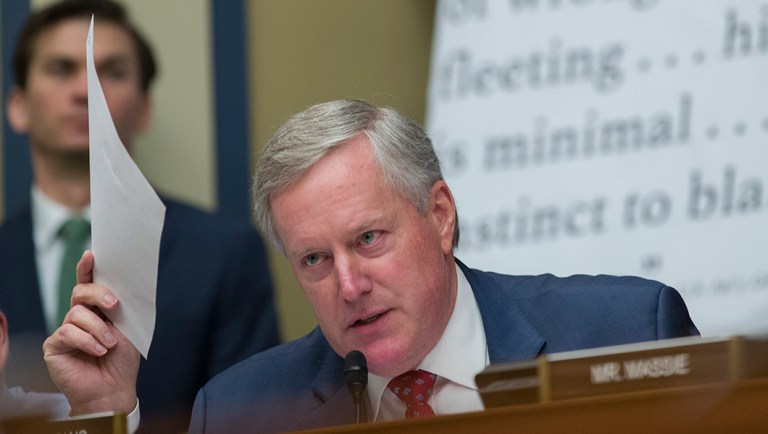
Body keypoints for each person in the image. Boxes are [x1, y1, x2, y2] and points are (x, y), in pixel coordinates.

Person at [47, 99, 699, 433]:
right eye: (314, 259)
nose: (350, 286)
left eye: (368, 239)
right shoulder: (242, 412)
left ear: (440, 215)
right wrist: (101, 418)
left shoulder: (628, 331)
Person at [0, 0, 280, 431]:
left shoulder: (224, 254)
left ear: (144, 107)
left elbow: (250, 421)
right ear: (17, 105)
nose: (84, 90)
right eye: (61, 69)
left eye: (111, 72)